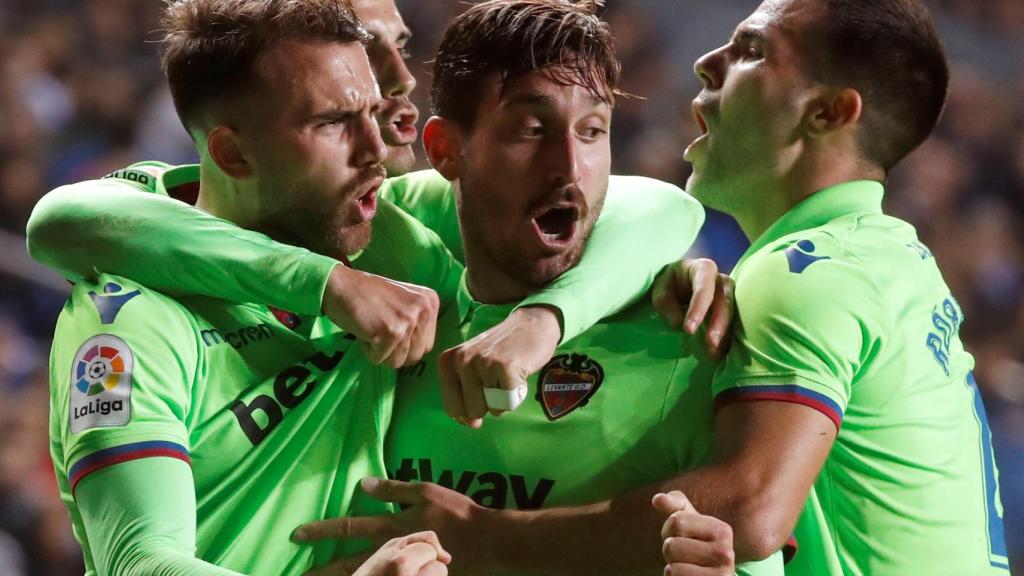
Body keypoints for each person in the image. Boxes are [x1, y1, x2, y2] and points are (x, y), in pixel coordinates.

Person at [31, 1, 714, 574]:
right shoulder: (130, 324)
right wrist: (328, 286)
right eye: (331, 122)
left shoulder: (388, 242)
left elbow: (654, 207)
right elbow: (142, 562)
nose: (378, 145)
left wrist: (550, 317)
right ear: (233, 154)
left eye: (371, 110)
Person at [291, 2, 776, 575]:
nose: (569, 166)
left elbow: (723, 552)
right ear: (446, 150)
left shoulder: (688, 340)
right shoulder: (390, 314)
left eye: (593, 131)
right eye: (531, 129)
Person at [653, 0, 1007, 573]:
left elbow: (748, 515)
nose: (705, 63)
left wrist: (495, 529)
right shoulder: (892, 257)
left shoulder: (808, 269)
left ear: (827, 113)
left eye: (751, 50)